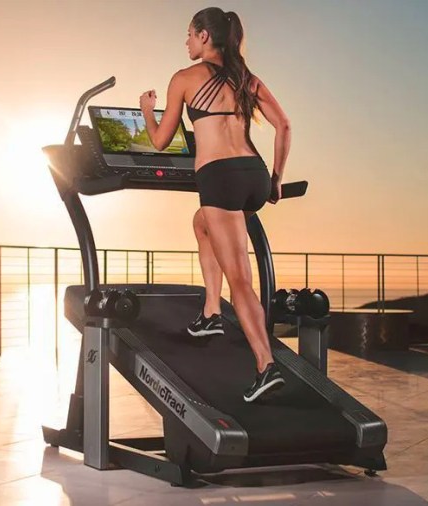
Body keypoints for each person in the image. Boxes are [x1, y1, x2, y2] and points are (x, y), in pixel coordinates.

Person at [138, 7, 292, 402]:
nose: (186, 41)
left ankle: (265, 365)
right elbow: (284, 125)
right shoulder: (245, 78)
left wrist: (147, 112)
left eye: (189, 34)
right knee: (202, 222)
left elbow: (158, 141)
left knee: (239, 277)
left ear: (205, 36)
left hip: (220, 178)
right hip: (254, 175)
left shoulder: (184, 79)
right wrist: (275, 178)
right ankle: (210, 312)